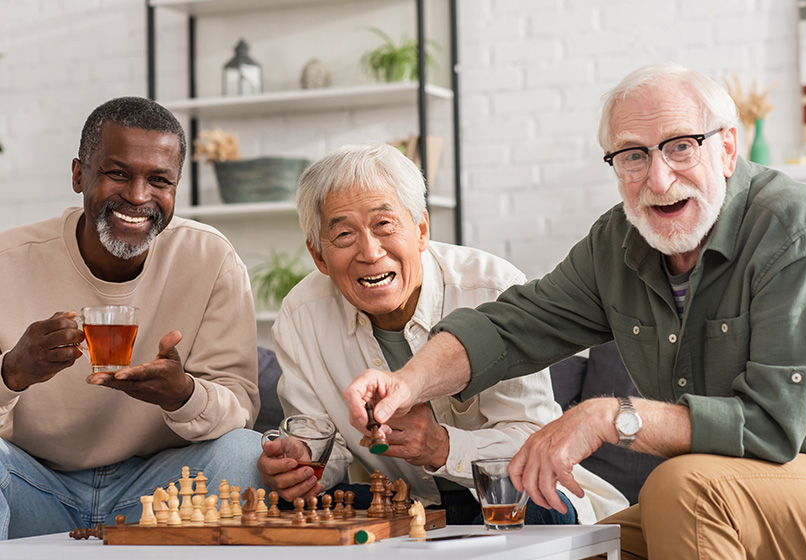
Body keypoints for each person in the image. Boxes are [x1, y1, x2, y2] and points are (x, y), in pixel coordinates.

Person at [344, 64, 806, 558]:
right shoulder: (617, 241)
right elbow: (512, 326)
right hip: (721, 483)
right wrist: (408, 383)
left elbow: (771, 428)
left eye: (681, 146)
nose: (660, 179)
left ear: (728, 148)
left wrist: (610, 416)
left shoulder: (793, 228)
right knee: (578, 546)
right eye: (632, 155)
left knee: (680, 488)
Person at [257, 142, 627, 525]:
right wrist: (300, 461)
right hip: (406, 505)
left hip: (515, 494)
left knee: (537, 509)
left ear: (420, 230)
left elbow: (531, 441)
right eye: (344, 234)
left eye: (383, 225)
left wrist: (440, 447)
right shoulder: (301, 315)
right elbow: (323, 443)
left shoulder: (491, 289)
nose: (369, 251)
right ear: (318, 255)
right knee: (290, 508)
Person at [0, 97, 264, 539]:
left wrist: (184, 395)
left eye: (159, 180)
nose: (138, 197)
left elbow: (240, 408)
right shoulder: (8, 261)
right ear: (79, 175)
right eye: (117, 173)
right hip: (36, 486)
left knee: (244, 453)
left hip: (158, 491)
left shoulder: (210, 258)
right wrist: (11, 372)